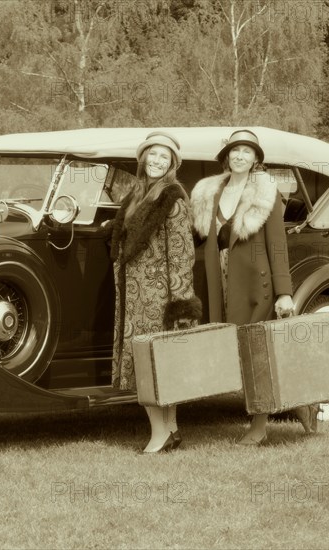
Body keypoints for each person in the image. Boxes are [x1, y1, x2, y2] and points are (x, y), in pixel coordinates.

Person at [190, 129, 318, 445]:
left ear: (256, 159)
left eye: (248, 152)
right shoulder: (209, 193)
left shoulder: (266, 193)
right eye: (235, 151)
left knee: (255, 352)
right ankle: (302, 403)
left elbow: (277, 245)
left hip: (254, 286)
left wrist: (284, 292)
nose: (240, 156)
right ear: (226, 157)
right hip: (217, 283)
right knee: (229, 350)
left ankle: (259, 425)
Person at [109, 131, 202, 453]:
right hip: (134, 296)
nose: (157, 161)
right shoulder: (136, 194)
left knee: (153, 364)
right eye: (152, 155)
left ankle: (159, 434)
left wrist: (180, 302)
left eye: (164, 157)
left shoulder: (172, 198)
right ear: (143, 158)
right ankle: (172, 430)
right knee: (158, 363)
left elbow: (181, 253)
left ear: (172, 163)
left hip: (158, 297)